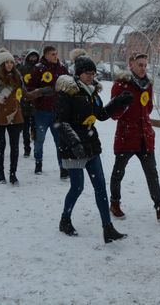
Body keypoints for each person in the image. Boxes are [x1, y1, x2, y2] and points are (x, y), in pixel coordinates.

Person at [55, 56, 131, 243]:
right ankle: (65, 219)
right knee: (77, 187)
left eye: (93, 73)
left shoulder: (92, 93)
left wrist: (118, 102)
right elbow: (60, 122)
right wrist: (74, 143)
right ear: (78, 73)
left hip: (90, 145)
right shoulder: (68, 93)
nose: (91, 76)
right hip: (73, 147)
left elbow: (101, 115)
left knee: (100, 187)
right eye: (87, 73)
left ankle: (108, 227)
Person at [109, 52, 160, 222]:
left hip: (144, 136)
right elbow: (113, 114)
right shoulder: (121, 85)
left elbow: (147, 108)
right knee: (118, 172)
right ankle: (115, 203)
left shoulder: (147, 84)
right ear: (131, 64)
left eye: (145, 65)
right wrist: (122, 105)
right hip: (127, 136)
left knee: (152, 173)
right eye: (140, 64)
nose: (143, 68)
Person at [0, 49, 44, 184]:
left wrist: (41, 92)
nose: (10, 65)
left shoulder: (17, 77)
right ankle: (1, 173)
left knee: (15, 147)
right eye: (6, 62)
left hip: (15, 116)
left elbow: (26, 95)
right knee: (1, 147)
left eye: (11, 62)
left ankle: (13, 173)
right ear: (1, 64)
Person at [26, 45, 69, 178]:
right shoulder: (38, 68)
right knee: (39, 140)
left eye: (56, 54)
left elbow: (68, 84)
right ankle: (38, 163)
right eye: (52, 54)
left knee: (60, 141)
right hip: (42, 111)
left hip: (57, 111)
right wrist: (41, 91)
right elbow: (30, 87)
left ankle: (63, 168)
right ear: (45, 55)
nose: (55, 56)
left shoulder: (62, 68)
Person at [17, 49, 40, 157]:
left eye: (35, 57)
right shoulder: (21, 68)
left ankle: (36, 146)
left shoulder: (40, 69)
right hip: (24, 101)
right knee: (25, 128)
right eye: (31, 57)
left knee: (35, 128)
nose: (33, 59)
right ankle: (27, 148)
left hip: (36, 102)